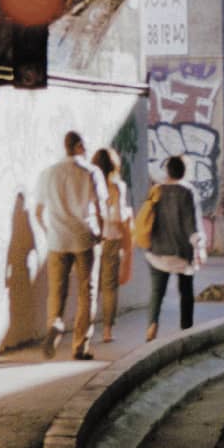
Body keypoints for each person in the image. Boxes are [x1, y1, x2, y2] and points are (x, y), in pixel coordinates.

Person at [34, 131, 104, 360]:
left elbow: (38, 212)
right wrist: (100, 232)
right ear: (79, 146)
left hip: (57, 240)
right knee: (87, 292)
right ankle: (80, 346)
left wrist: (49, 232)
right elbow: (100, 208)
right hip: (84, 238)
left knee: (57, 291)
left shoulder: (48, 173)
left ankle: (55, 323)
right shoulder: (91, 172)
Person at [142, 155, 203, 339]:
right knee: (186, 291)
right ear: (184, 172)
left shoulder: (156, 190)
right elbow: (191, 225)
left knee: (157, 292)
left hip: (157, 251)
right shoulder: (187, 192)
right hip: (181, 253)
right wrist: (198, 247)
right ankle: (186, 329)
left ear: (167, 171)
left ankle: (152, 323)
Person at [90, 146, 133, 344]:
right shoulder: (117, 186)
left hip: (93, 238)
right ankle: (107, 331)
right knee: (109, 287)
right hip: (112, 237)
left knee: (90, 286)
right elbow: (119, 215)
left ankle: (86, 328)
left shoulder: (90, 183)